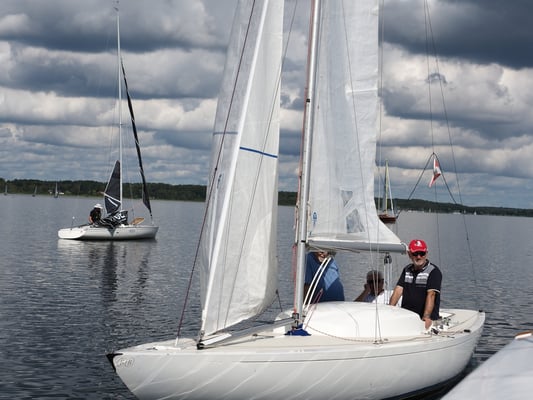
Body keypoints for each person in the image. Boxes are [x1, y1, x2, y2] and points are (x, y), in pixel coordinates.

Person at [389, 239, 442, 329]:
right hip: (407, 318)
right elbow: (398, 290)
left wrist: (426, 317)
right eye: (415, 254)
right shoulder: (407, 270)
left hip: (424, 320)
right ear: (409, 254)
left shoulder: (433, 271)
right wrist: (390, 310)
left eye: (422, 253)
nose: (419, 257)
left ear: (426, 253)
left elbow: (431, 294)